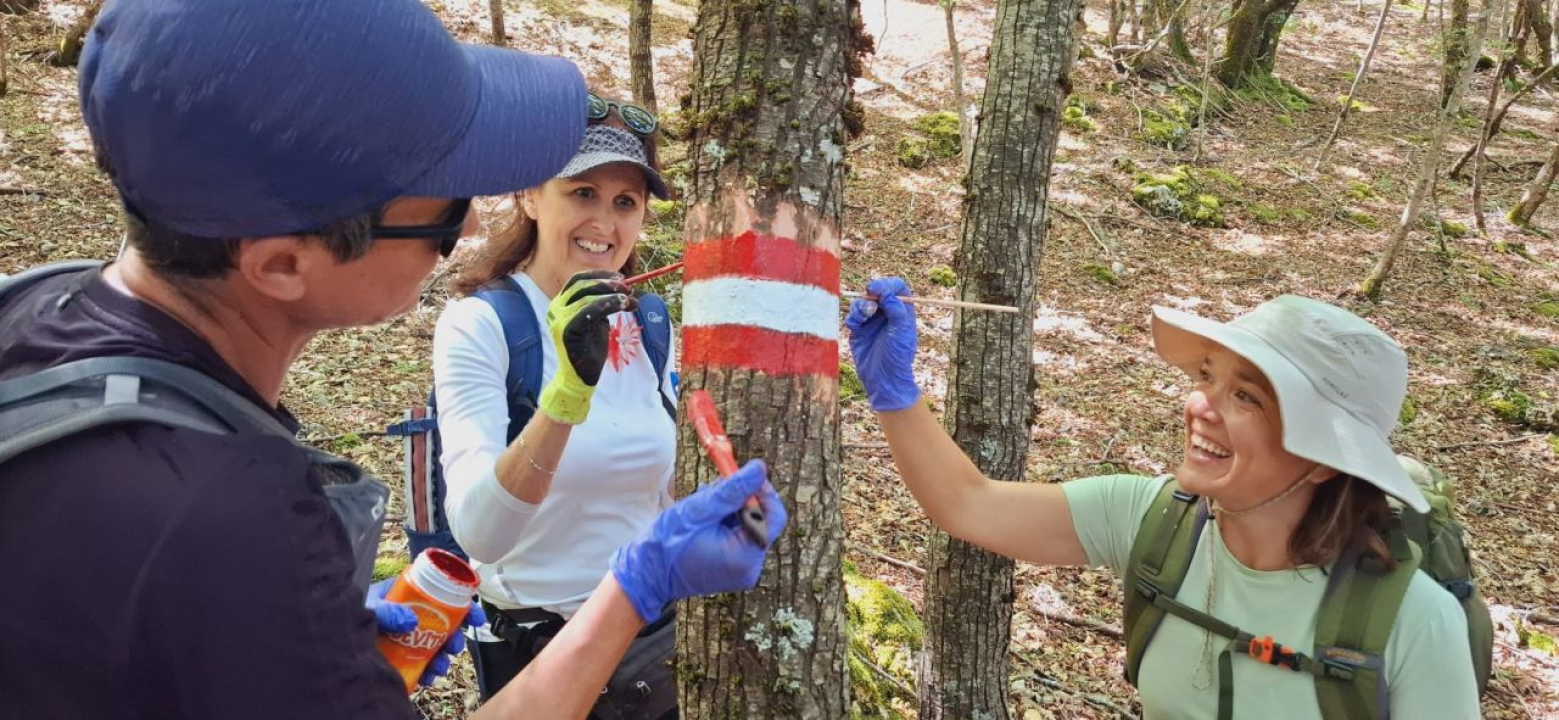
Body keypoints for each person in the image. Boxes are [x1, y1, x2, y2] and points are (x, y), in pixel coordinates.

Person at [0, 1, 785, 718]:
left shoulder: (33, 311)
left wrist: (296, 654)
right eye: (441, 195)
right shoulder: (236, 521)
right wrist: (635, 586)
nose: (470, 212)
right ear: (281, 264)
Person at [843, 278, 1481, 719]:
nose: (1199, 405)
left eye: (1247, 396)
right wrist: (895, 393)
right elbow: (968, 505)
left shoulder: (1412, 621)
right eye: (1208, 377)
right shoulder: (1154, 521)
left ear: (1323, 458)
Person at [431, 104, 679, 702]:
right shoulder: (482, 325)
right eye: (584, 192)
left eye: (626, 202)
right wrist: (567, 394)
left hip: (653, 644)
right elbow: (480, 536)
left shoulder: (649, 322)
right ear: (531, 197)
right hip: (544, 656)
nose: (605, 221)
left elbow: (664, 494)